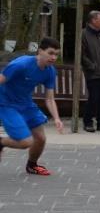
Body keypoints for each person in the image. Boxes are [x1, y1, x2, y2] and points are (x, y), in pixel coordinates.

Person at [0, 37, 64, 175]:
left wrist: (57, 118)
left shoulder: (50, 71)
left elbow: (50, 99)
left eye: (56, 54)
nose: (54, 57)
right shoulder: (20, 65)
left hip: (27, 104)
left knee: (41, 138)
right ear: (40, 51)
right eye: (51, 53)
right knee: (25, 142)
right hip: (7, 105)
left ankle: (32, 165)